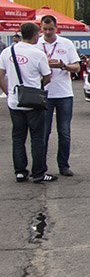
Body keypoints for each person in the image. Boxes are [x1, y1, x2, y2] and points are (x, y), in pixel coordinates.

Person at [0, 22, 54, 183]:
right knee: (37, 137)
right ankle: (38, 173)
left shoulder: (7, 51)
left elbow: (0, 75)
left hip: (15, 101)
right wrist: (39, 84)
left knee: (18, 137)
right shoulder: (38, 53)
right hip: (34, 101)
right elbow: (47, 76)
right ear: (36, 34)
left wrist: (8, 92)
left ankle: (20, 171)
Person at [39, 15, 81, 176]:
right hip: (43, 94)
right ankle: (40, 166)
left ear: (56, 28)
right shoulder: (37, 45)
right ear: (41, 28)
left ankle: (63, 165)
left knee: (64, 132)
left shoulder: (66, 44)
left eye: (51, 29)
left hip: (64, 93)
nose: (48, 32)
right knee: (43, 132)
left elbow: (76, 67)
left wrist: (63, 65)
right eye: (45, 29)